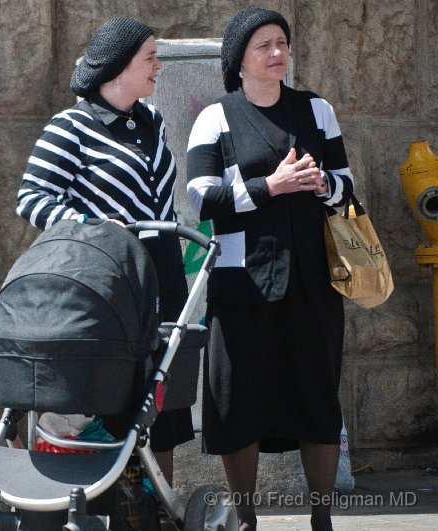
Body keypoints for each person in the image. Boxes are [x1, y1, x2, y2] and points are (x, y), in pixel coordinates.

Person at [185, 7, 354, 531]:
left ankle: (321, 519)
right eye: (264, 45)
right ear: (239, 59)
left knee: (317, 396)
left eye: (282, 42)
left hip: (312, 281)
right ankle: (246, 517)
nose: (277, 52)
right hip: (243, 287)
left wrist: (323, 184)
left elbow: (348, 187)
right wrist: (269, 187)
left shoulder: (317, 110)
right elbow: (200, 198)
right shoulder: (216, 116)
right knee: (239, 403)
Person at [16, 16, 193, 492]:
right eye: (150, 57)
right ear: (119, 68)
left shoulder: (150, 121)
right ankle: (107, 503)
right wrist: (91, 227)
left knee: (162, 401)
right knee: (113, 397)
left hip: (163, 277)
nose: (159, 65)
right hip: (108, 284)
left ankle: (157, 511)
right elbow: (31, 199)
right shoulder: (70, 126)